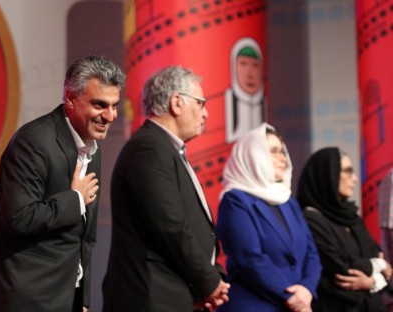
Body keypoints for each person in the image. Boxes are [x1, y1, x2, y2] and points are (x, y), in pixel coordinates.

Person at [0, 55, 125, 312]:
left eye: (114, 106)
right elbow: (19, 218)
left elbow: (86, 238)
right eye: (100, 105)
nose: (110, 116)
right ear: (70, 99)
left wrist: (83, 298)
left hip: (66, 296)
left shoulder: (93, 147)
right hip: (25, 298)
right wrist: (75, 200)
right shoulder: (33, 141)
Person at [102, 66, 230, 311]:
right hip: (152, 297)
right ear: (177, 102)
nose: (205, 114)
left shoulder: (164, 148)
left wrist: (213, 277)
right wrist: (208, 282)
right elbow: (170, 226)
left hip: (174, 294)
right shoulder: (148, 148)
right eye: (200, 103)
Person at [216, 123, 321, 312]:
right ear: (253, 155)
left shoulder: (288, 201)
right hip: (254, 306)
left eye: (282, 151)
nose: (283, 157)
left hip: (297, 305)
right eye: (273, 151)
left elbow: (312, 254)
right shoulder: (235, 201)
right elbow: (249, 259)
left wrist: (307, 290)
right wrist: (292, 298)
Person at [297, 147, 393, 312]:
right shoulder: (311, 220)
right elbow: (342, 271)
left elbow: (385, 267)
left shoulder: (352, 217)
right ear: (327, 174)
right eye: (348, 171)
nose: (354, 179)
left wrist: (372, 281)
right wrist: (379, 264)